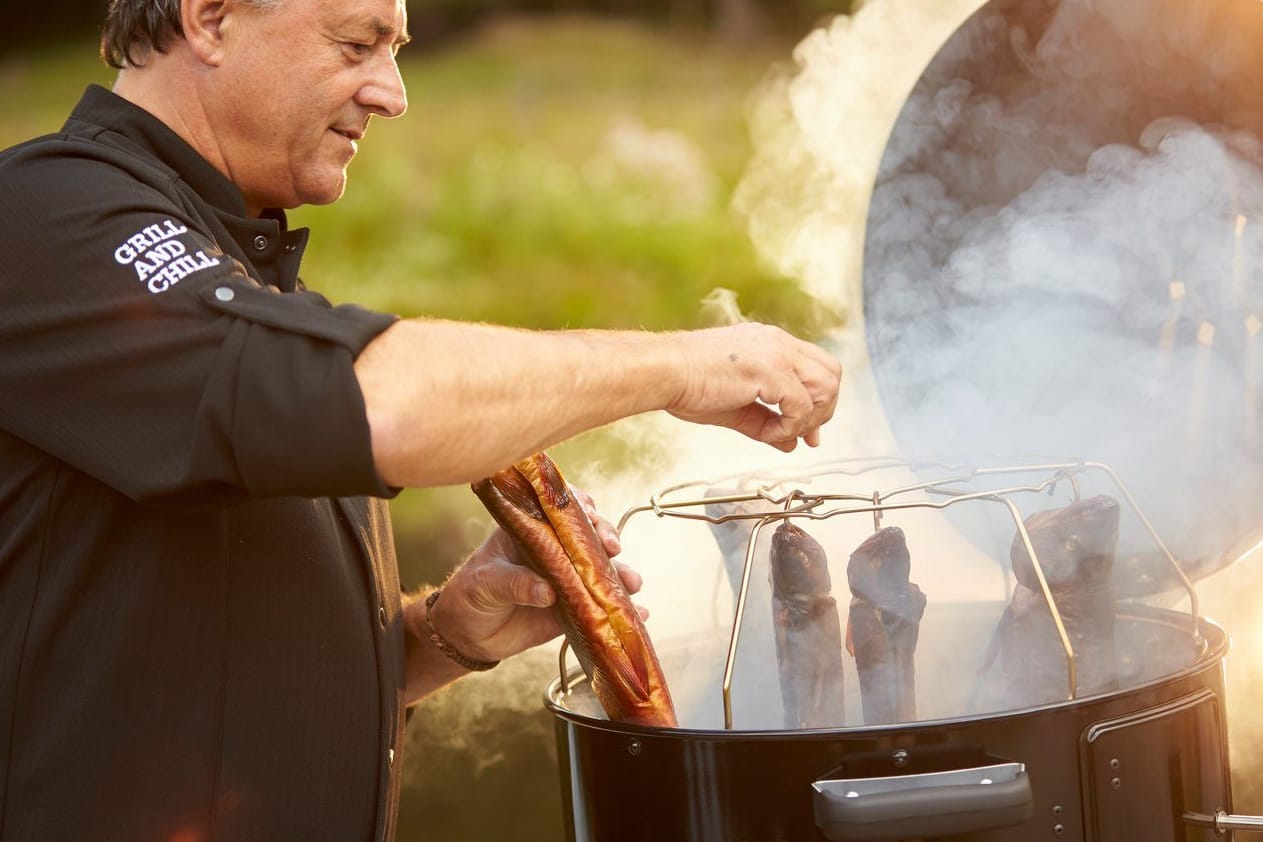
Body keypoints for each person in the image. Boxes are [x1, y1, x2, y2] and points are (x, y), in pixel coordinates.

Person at [0, 0, 841, 839]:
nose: (393, 94)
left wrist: (440, 636)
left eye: (394, 49)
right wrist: (684, 365)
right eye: (356, 44)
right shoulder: (43, 218)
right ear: (211, 18)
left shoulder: (238, 270)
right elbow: (386, 407)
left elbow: (186, 673)